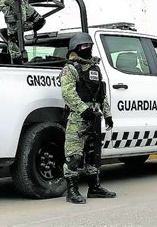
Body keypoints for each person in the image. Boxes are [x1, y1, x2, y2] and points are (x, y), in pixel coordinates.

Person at [60, 32, 116, 204]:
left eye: (89, 46)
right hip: (78, 119)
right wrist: (83, 110)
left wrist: (107, 115)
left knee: (93, 155)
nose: (88, 49)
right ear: (75, 49)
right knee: (74, 156)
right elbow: (67, 93)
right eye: (84, 46)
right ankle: (72, 191)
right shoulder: (70, 69)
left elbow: (101, 95)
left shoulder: (94, 69)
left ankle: (94, 187)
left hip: (94, 118)